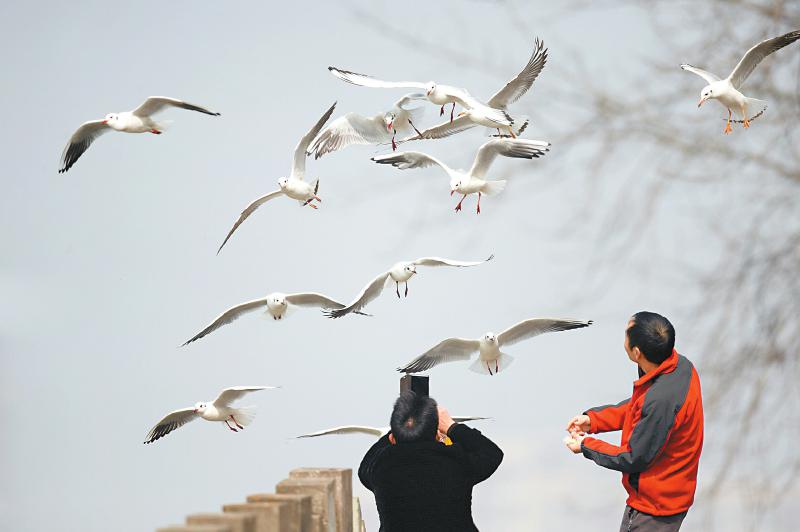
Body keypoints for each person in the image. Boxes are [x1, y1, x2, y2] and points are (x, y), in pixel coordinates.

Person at [565, 311, 704, 532]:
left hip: (655, 510)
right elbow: (640, 408)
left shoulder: (661, 400)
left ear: (636, 352)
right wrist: (593, 420)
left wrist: (585, 446)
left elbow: (633, 457)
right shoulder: (680, 368)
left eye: (626, 334)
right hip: (669, 496)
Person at [359, 391, 503, 532]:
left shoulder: (379, 468)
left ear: (392, 439)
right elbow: (491, 453)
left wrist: (399, 429)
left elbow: (364, 466)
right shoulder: (456, 461)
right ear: (436, 434)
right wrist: (452, 427)